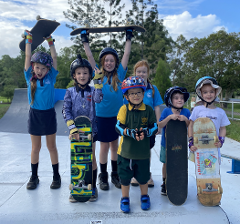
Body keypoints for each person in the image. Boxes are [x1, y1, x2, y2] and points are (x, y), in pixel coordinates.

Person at [81, 28, 133, 190]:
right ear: (102, 62)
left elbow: (126, 55)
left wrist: (128, 38)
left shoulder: (120, 74)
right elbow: (89, 57)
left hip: (117, 117)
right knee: (103, 146)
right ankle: (103, 176)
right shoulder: (97, 73)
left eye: (111, 60)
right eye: (106, 60)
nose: (109, 63)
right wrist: (85, 41)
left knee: (114, 146)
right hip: (101, 117)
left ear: (115, 63)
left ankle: (114, 174)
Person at [62, 54, 103, 202]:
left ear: (90, 75)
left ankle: (92, 187)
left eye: (85, 73)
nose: (82, 76)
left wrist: (98, 81)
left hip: (91, 130)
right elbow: (65, 110)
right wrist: (72, 127)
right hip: (76, 132)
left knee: (90, 158)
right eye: (79, 73)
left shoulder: (93, 91)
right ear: (74, 75)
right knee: (77, 159)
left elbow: (99, 99)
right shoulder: (69, 92)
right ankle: (77, 187)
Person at [24, 30, 61, 190]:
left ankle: (56, 176)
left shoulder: (50, 78)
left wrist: (51, 42)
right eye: (37, 67)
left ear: (47, 70)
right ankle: (34, 177)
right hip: (35, 115)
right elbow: (27, 57)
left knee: (51, 147)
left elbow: (54, 58)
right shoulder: (29, 78)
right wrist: (28, 41)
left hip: (48, 115)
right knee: (35, 148)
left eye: (43, 69)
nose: (39, 71)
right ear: (33, 67)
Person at [115, 76, 158, 213]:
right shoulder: (124, 109)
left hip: (143, 152)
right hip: (125, 152)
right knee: (125, 177)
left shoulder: (148, 110)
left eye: (139, 92)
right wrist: (129, 132)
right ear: (126, 96)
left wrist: (146, 132)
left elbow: (155, 127)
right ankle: (125, 198)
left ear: (143, 93)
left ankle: (144, 196)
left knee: (144, 177)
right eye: (132, 93)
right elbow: (118, 127)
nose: (136, 95)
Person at [123, 60, 163, 187]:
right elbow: (126, 107)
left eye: (144, 72)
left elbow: (157, 107)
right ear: (135, 73)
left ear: (148, 73)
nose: (141, 74)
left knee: (146, 150)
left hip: (148, 125)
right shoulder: (130, 88)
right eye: (139, 71)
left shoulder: (153, 89)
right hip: (134, 124)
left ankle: (146, 174)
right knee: (134, 150)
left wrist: (158, 124)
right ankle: (135, 175)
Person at [188, 76, 230, 163]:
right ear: (201, 94)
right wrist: (191, 141)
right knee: (201, 172)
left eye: (211, 91)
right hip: (199, 147)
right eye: (205, 92)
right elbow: (191, 125)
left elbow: (222, 128)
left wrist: (221, 141)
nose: (209, 94)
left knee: (213, 172)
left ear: (216, 93)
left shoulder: (220, 112)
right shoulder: (197, 110)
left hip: (213, 147)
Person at [158, 86, 190, 195]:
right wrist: (169, 118)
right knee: (166, 163)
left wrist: (186, 120)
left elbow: (190, 126)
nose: (180, 100)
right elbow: (160, 125)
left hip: (181, 145)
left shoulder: (186, 112)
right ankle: (165, 182)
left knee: (179, 164)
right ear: (170, 100)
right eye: (176, 98)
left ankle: (177, 181)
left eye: (181, 98)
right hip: (166, 144)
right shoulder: (167, 111)